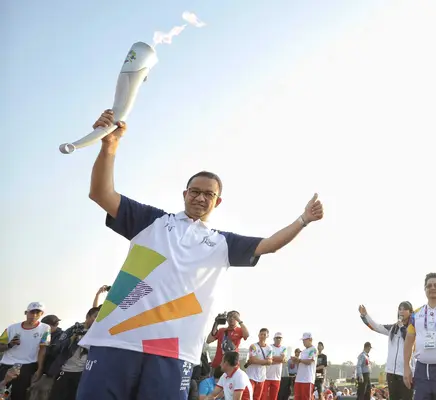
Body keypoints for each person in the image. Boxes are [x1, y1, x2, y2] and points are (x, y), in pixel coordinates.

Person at [76, 110, 324, 400]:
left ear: (218, 201)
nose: (201, 197)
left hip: (173, 348)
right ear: (184, 194)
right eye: (195, 191)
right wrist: (110, 146)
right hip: (117, 339)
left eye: (209, 194)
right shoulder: (151, 221)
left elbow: (269, 244)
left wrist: (303, 220)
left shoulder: (222, 243)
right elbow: (101, 193)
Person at [358, 301, 414, 400]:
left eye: (405, 309)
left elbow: (408, 338)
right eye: (400, 309)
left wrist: (401, 327)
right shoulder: (393, 329)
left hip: (405, 372)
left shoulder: (413, 329)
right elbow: (376, 327)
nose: (401, 311)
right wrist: (365, 315)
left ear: (410, 312)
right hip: (391, 372)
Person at [0, 302, 52, 400]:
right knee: (2, 394)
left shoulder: (45, 328)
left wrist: (39, 369)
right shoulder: (12, 328)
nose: (34, 315)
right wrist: (9, 344)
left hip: (27, 367)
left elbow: (42, 349)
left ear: (42, 314)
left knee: (19, 395)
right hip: (7, 365)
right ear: (26, 313)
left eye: (38, 312)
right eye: (32, 312)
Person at [47, 307, 101, 400]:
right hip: (64, 372)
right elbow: (57, 347)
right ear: (87, 316)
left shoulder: (99, 334)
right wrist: (73, 338)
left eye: (100, 317)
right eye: (95, 316)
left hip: (82, 375)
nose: (97, 320)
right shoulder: (73, 329)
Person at [245, 328, 273, 400]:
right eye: (261, 334)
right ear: (258, 335)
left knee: (257, 398)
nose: (262, 336)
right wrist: (265, 361)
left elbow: (270, 362)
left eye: (264, 335)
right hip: (251, 376)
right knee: (248, 396)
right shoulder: (253, 346)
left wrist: (258, 361)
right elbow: (253, 360)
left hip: (261, 377)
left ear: (267, 336)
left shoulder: (269, 348)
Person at [293, 333, 318, 400]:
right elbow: (300, 362)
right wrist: (295, 360)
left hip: (307, 379)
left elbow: (309, 362)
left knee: (306, 398)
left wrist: (299, 360)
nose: (303, 342)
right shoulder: (303, 351)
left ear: (310, 339)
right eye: (303, 340)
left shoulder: (313, 349)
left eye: (305, 340)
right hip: (299, 378)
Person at [265, 332, 288, 400]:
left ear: (282, 339)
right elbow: (267, 358)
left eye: (280, 338)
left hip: (277, 378)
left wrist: (272, 359)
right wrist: (279, 360)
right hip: (266, 377)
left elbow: (282, 359)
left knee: (274, 397)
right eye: (277, 338)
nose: (278, 339)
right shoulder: (269, 347)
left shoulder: (284, 348)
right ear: (274, 339)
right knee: (264, 397)